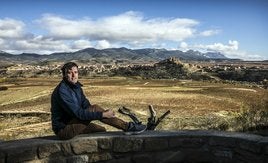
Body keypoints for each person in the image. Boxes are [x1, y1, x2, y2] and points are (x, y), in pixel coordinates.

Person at [51, 62, 146, 140]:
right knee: (95, 108)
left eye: (75, 72)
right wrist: (102, 114)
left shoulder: (77, 87)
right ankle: (128, 127)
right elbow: (79, 114)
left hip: (73, 123)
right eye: (69, 73)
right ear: (64, 75)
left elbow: (86, 106)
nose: (73, 75)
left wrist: (101, 113)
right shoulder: (62, 91)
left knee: (101, 129)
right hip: (63, 130)